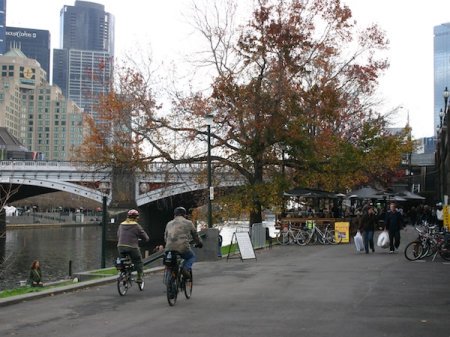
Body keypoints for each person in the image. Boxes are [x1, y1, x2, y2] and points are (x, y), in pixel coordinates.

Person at [164, 206, 203, 279]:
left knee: (170, 263)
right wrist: (199, 243)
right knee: (191, 257)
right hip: (183, 247)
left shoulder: (169, 224)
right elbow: (195, 235)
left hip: (169, 248)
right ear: (184, 215)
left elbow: (165, 237)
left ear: (174, 215)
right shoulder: (188, 223)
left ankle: (170, 280)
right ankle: (185, 269)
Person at [117, 209, 149, 283]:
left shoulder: (121, 224)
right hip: (132, 246)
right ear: (136, 217)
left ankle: (124, 274)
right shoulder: (136, 225)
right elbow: (145, 237)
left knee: (123, 261)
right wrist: (146, 239)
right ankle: (139, 278)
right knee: (138, 261)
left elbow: (118, 235)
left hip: (120, 246)